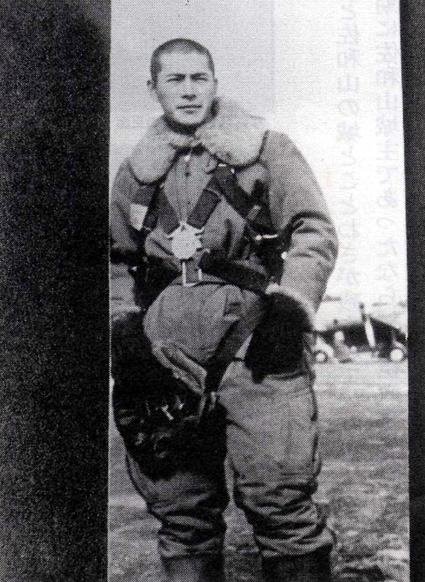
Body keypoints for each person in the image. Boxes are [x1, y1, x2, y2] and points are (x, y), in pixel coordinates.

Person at [111, 38, 338, 582]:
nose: (189, 90)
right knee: (181, 511)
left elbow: (314, 231)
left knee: (280, 498)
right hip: (167, 350)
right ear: (154, 88)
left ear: (215, 84)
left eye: (200, 78)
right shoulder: (136, 173)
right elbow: (115, 258)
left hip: (256, 340)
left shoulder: (265, 151)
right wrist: (125, 328)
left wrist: (291, 309)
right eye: (175, 79)